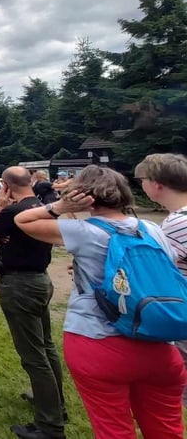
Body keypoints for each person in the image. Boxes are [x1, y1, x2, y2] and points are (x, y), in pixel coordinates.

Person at [15, 165, 186, 438]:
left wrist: (60, 205)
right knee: (166, 429)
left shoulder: (84, 231)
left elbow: (23, 221)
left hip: (99, 340)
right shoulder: (153, 229)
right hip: (159, 343)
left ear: (83, 195)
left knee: (113, 430)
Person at [0, 167, 65, 439]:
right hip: (41, 280)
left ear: (5, 185)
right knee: (46, 345)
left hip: (20, 285)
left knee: (33, 355)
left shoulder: (12, 212)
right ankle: (54, 403)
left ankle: (50, 425)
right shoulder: (40, 206)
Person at [134, 153, 187, 406]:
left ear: (156, 184)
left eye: (141, 179)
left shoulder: (177, 223)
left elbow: (156, 270)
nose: (140, 185)